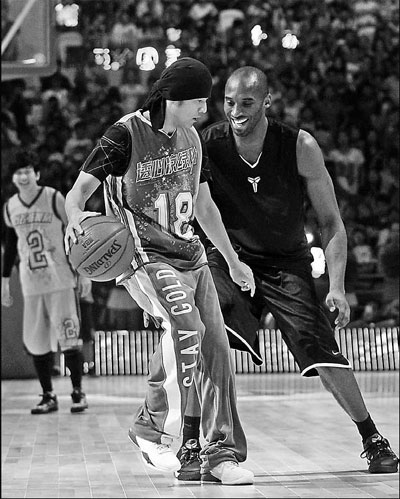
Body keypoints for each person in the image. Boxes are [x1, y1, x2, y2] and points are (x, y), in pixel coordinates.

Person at [176, 66, 399, 480]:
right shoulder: (204, 143)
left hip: (286, 262)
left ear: (267, 102)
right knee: (207, 337)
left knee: (320, 345)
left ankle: (372, 437)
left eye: (246, 103)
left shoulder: (299, 145)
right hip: (228, 259)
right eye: (228, 102)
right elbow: (191, 211)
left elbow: (332, 222)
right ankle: (191, 442)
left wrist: (337, 287)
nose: (236, 111)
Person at [63, 57, 255, 485]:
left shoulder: (193, 139)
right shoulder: (124, 134)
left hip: (191, 254)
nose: (206, 110)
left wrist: (231, 257)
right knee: (186, 328)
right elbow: (77, 192)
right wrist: (75, 215)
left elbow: (204, 205)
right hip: (145, 256)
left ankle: (218, 453)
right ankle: (151, 432)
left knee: (217, 351)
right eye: (200, 101)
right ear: (175, 98)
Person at [1, 150, 90, 414]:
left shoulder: (53, 198)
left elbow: (78, 233)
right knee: (36, 343)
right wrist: (5, 281)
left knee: (69, 338)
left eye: (28, 170)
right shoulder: (10, 207)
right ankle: (48, 395)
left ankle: (77, 393)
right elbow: (10, 246)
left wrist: (84, 272)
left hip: (61, 281)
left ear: (37, 174)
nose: (23, 176)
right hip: (31, 286)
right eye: (18, 172)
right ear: (13, 179)